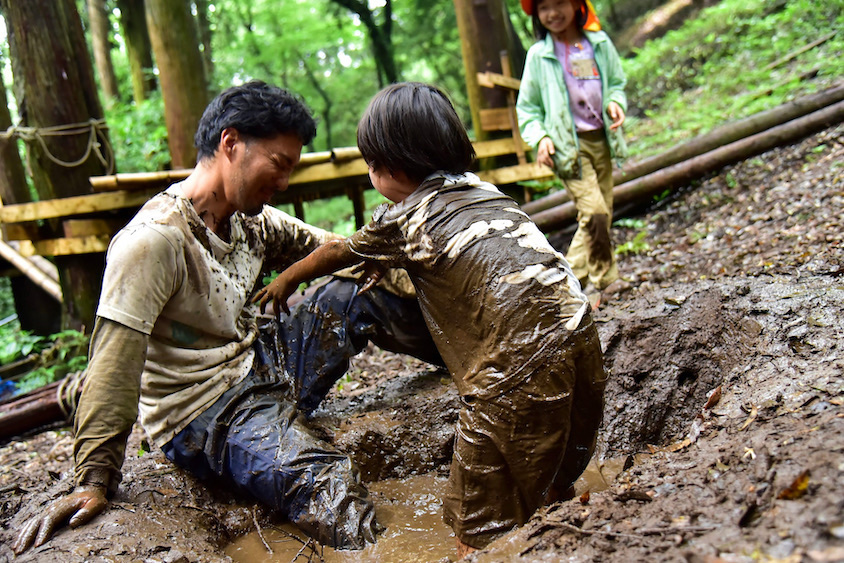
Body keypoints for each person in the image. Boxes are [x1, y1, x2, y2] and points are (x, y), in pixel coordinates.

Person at [12, 81, 442, 555]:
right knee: (328, 480)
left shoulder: (250, 221)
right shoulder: (154, 242)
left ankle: (471, 363)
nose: (284, 182)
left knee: (358, 292)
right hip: (204, 410)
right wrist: (94, 476)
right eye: (279, 165)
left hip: (263, 364)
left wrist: (410, 271)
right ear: (231, 143)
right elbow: (113, 366)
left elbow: (338, 251)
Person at [253, 82, 608, 559]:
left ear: (387, 167)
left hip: (512, 372)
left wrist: (287, 279)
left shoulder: (404, 217)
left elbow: (338, 251)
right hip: (581, 339)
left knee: (475, 521)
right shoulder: (487, 194)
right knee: (549, 479)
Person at [516, 0, 629, 307]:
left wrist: (615, 102)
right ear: (536, 15)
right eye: (544, 8)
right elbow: (527, 108)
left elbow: (616, 83)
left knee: (594, 217)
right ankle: (607, 280)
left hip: (602, 141)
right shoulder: (539, 55)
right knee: (595, 212)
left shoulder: (599, 44)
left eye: (559, 4)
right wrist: (540, 138)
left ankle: (564, 282)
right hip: (568, 148)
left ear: (576, 5)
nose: (552, 13)